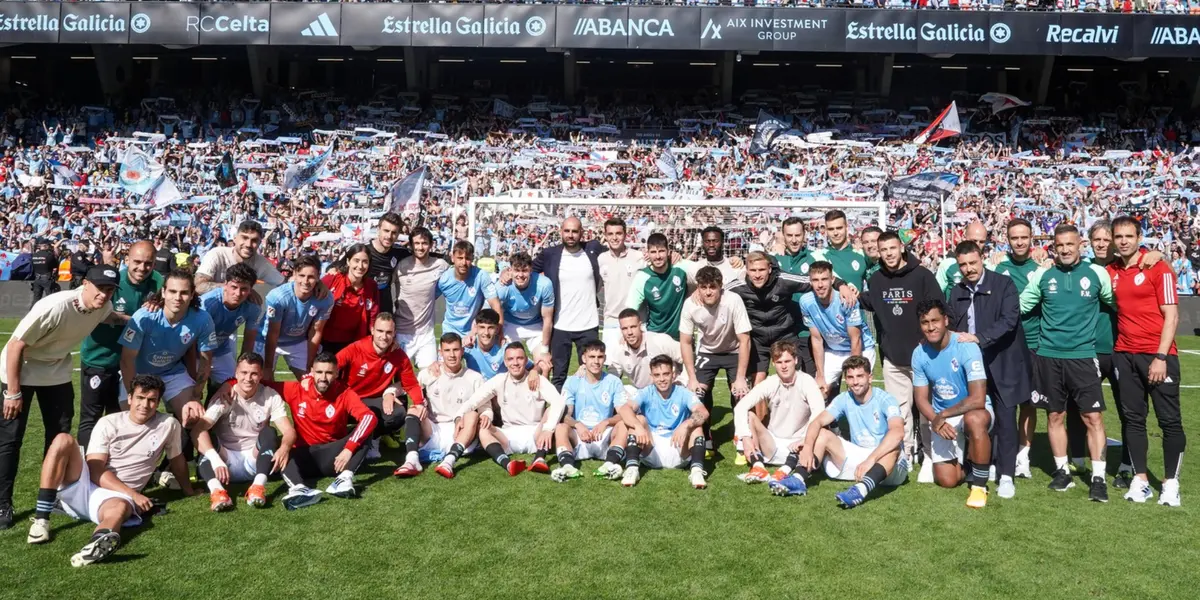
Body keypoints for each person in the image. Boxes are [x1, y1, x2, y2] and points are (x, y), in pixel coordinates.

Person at [25, 375, 196, 566]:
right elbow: (95, 468)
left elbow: (177, 459)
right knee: (63, 439)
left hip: (114, 498)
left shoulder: (168, 425)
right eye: (140, 398)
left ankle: (94, 546)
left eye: (151, 400)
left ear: (158, 402)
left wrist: (188, 490)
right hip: (86, 484)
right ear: (130, 398)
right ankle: (41, 520)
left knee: (120, 508)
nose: (145, 405)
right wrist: (134, 495)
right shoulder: (109, 422)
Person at [0, 266, 118, 530]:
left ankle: (53, 498)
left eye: (109, 290)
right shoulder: (55, 306)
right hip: (21, 369)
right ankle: (2, 504)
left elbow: (114, 317)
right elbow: (16, 345)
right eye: (100, 288)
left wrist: (147, 315)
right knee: (10, 440)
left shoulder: (102, 305)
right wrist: (13, 392)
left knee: (59, 439)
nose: (104, 294)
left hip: (56, 372)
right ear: (85, 284)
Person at [1019, 224, 1115, 502]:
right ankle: (1063, 472)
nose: (1065, 250)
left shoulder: (1097, 274)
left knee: (1093, 417)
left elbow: (1116, 303)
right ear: (1054, 247)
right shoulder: (1043, 275)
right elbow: (1022, 305)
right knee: (1055, 416)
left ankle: (1098, 477)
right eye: (1060, 245)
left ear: (1080, 245)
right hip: (1049, 356)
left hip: (1083, 357)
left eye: (1070, 244)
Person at [1108, 215, 1186, 506]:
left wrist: (1161, 356)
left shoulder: (1158, 267)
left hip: (1157, 356)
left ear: (1139, 237)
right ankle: (1140, 481)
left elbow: (1172, 316)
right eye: (1119, 237)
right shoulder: (1112, 271)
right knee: (1133, 419)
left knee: (1169, 421)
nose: (1124, 241)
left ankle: (1170, 483)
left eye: (1129, 236)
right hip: (1125, 355)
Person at [947, 240, 1030, 500]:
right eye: (963, 265)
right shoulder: (957, 290)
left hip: (1003, 363)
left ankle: (1006, 475)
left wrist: (979, 337)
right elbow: (950, 322)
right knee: (975, 418)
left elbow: (1009, 320)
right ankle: (978, 466)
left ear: (982, 258)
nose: (969, 269)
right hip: (972, 368)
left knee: (1006, 420)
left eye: (973, 262)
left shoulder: (1003, 284)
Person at [770, 356, 908, 508]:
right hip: (860, 458)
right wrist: (808, 447)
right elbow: (817, 422)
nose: (855, 382)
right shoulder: (844, 398)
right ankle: (798, 479)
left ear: (870, 378)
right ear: (846, 380)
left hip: (890, 466)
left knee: (893, 448)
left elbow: (898, 433)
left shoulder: (885, 399)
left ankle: (860, 490)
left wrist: (871, 459)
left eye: (860, 376)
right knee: (822, 434)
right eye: (850, 377)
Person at [858, 230, 941, 470]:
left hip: (923, 356)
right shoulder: (876, 280)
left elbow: (937, 310)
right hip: (893, 359)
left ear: (902, 248)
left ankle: (930, 455)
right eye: (883, 250)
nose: (888, 254)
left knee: (927, 410)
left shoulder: (923, 276)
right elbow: (867, 300)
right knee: (898, 412)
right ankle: (903, 455)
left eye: (892, 249)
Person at [266, 351, 377, 508]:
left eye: (329, 373)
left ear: (337, 373)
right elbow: (258, 383)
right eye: (319, 372)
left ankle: (344, 480)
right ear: (311, 372)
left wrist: (348, 449)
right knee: (281, 443)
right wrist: (229, 384)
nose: (323, 378)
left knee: (365, 430)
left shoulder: (344, 393)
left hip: (334, 459)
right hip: (302, 457)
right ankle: (298, 488)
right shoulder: (295, 389)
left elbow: (369, 417)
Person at [911, 298, 994, 509]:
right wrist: (936, 420)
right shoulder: (919, 353)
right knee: (947, 481)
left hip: (975, 410)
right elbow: (920, 398)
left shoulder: (965, 346)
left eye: (935, 321)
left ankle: (979, 486)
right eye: (925, 322)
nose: (930, 327)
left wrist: (942, 415)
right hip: (943, 416)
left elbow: (977, 398)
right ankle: (973, 462)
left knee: (974, 419)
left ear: (945, 320)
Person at [79, 241, 162, 448]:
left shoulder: (158, 282)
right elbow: (98, 312)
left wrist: (159, 303)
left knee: (124, 417)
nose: (142, 268)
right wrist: (136, 319)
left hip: (134, 362)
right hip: (101, 357)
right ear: (126, 260)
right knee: (92, 417)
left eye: (148, 263)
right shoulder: (113, 280)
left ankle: (118, 465)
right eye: (137, 262)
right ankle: (85, 469)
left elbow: (177, 296)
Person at [119, 269, 218, 441]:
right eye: (172, 291)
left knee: (194, 416)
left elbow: (205, 359)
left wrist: (196, 394)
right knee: (134, 422)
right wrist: (132, 393)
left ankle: (210, 462)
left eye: (184, 292)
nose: (177, 297)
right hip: (139, 374)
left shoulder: (202, 319)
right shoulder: (144, 316)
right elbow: (127, 360)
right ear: (163, 292)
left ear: (192, 294)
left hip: (172, 372)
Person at [194, 353, 297, 512]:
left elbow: (288, 431)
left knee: (269, 432)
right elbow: (198, 430)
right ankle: (217, 492)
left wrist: (284, 448)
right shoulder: (225, 395)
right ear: (236, 373)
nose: (248, 378)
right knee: (208, 439)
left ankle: (257, 487)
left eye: (254, 373)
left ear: (261, 375)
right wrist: (216, 460)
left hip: (256, 461)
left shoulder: (270, 395)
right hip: (223, 463)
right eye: (244, 373)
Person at [334, 313, 426, 475]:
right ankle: (349, 438)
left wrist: (419, 404)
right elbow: (331, 366)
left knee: (398, 413)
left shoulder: (398, 355)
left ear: (394, 333)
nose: (384, 336)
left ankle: (372, 439)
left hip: (374, 403)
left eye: (389, 332)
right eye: (380, 331)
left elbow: (410, 384)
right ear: (372, 330)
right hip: (349, 402)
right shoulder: (356, 348)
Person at [457, 342, 566, 477]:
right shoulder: (499, 380)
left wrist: (548, 429)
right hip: (508, 436)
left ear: (526, 360)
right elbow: (474, 400)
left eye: (519, 358)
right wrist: (459, 416)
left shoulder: (536, 380)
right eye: (510, 359)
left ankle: (540, 458)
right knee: (483, 428)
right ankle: (507, 463)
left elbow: (559, 401)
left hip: (535, 434)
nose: (515, 363)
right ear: (505, 362)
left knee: (550, 412)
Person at [994, 219, 1047, 481]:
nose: (1019, 242)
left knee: (1028, 403)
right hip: (1004, 346)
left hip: (1032, 344)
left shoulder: (1041, 269)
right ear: (1007, 239)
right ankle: (1002, 452)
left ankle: (1023, 456)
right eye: (1014, 238)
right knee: (1004, 403)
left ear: (1031, 239)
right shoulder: (997, 267)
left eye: (1024, 237)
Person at [732, 341, 826, 484]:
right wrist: (744, 437)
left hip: (799, 445)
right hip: (772, 444)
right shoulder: (771, 382)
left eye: (787, 361)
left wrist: (806, 439)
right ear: (773, 363)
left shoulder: (807, 381)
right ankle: (758, 467)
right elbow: (741, 407)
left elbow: (819, 412)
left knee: (822, 431)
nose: (783, 366)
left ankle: (788, 470)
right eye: (779, 362)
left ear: (795, 360)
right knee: (749, 416)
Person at [680, 266, 751, 448]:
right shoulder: (690, 305)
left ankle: (741, 436)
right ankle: (705, 436)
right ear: (698, 288)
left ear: (721, 286)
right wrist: (692, 378)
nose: (708, 292)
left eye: (712, 287)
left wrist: (741, 378)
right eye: (703, 287)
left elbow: (745, 340)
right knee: (698, 393)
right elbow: (686, 342)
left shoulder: (733, 300)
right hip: (707, 352)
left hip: (733, 350)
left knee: (740, 393)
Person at [615, 355, 710, 489]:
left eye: (666, 374)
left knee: (696, 426)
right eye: (657, 375)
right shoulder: (646, 392)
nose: (662, 379)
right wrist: (638, 426)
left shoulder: (683, 393)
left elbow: (703, 411)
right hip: (651, 448)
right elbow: (625, 409)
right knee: (639, 419)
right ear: (652, 376)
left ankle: (697, 472)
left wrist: (686, 424)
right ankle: (632, 469)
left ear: (673, 374)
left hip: (678, 446)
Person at [532, 216, 605, 390]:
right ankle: (559, 414)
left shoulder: (593, 249)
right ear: (561, 232)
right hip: (560, 325)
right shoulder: (550, 254)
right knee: (559, 376)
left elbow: (618, 253)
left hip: (588, 324)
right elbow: (527, 269)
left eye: (574, 231)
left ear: (581, 233)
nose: (570, 235)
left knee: (592, 374)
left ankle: (588, 412)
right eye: (567, 231)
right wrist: (506, 273)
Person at [552, 340, 631, 482]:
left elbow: (623, 413)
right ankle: (568, 467)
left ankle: (610, 463)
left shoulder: (613, 381)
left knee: (623, 425)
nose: (596, 361)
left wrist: (606, 422)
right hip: (580, 436)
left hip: (603, 435)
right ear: (584, 358)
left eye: (600, 357)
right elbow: (565, 414)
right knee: (560, 427)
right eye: (592, 357)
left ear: (605, 359)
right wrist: (578, 425)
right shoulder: (572, 381)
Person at [801, 261, 876, 400]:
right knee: (818, 391)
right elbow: (816, 339)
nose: (820, 285)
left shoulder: (846, 300)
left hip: (862, 348)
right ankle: (823, 422)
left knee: (859, 390)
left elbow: (856, 339)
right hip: (834, 349)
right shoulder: (806, 302)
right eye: (815, 280)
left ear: (832, 280)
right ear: (810, 282)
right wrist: (821, 375)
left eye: (824, 279)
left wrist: (855, 371)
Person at [417, 334, 486, 479]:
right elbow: (408, 388)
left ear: (462, 351)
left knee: (473, 414)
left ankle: (449, 461)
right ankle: (410, 459)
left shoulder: (475, 378)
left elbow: (485, 406)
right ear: (440, 353)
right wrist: (390, 393)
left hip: (461, 433)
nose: (452, 355)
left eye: (455, 350)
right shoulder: (428, 374)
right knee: (415, 409)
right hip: (434, 430)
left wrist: (487, 415)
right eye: (447, 350)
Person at [258, 255, 333, 381]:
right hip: (266, 340)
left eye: (311, 277)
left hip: (297, 341)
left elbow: (316, 331)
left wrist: (310, 365)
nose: (305, 281)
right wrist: (267, 367)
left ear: (318, 276)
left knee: (310, 381)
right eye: (302, 275)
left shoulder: (325, 299)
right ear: (295, 274)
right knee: (263, 382)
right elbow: (273, 333)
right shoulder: (278, 297)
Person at [392, 226, 449, 369]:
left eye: (424, 243)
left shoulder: (440, 265)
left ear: (430, 245)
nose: (420, 247)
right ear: (411, 245)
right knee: (399, 379)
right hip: (402, 332)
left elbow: (461, 271)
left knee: (430, 377)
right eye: (417, 243)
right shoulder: (401, 266)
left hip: (426, 333)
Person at [199, 262, 262, 389]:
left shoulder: (253, 307)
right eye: (234, 287)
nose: (238, 293)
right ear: (225, 284)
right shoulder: (207, 304)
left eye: (244, 289)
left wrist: (243, 366)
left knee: (237, 388)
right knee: (193, 392)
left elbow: (249, 340)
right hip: (197, 353)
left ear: (251, 289)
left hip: (220, 351)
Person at [771, 217, 820, 376]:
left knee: (811, 377)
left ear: (804, 235)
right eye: (789, 235)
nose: (793, 240)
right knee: (787, 378)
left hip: (808, 330)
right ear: (783, 235)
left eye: (797, 235)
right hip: (782, 331)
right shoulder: (773, 259)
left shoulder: (815, 258)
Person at [627, 232, 697, 340]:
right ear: (648, 253)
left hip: (681, 337)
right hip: (655, 336)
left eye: (661, 251)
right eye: (653, 252)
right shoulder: (642, 277)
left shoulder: (680, 267)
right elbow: (630, 310)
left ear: (669, 252)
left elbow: (706, 272)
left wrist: (698, 290)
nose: (658, 256)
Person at [607, 309, 686, 395]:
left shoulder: (659, 340)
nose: (629, 332)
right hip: (642, 394)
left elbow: (687, 356)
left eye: (633, 327)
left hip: (670, 390)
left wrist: (683, 381)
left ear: (640, 325)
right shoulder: (619, 350)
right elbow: (612, 378)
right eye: (625, 328)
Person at [195, 220, 286, 294]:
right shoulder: (217, 254)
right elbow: (199, 287)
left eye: (254, 240)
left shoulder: (261, 262)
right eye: (244, 238)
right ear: (235, 238)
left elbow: (284, 285)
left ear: (259, 243)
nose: (248, 244)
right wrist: (242, 288)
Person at [320, 244, 380, 356]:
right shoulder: (332, 279)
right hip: (324, 341)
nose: (360, 266)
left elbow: (373, 316)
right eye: (356, 260)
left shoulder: (371, 286)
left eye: (365, 262)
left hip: (353, 343)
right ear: (348, 261)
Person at [437, 240, 502, 341]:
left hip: (474, 330)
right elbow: (428, 299)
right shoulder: (444, 279)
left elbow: (495, 304)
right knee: (450, 356)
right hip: (450, 329)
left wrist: (500, 332)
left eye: (467, 258)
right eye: (460, 258)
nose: (463, 262)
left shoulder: (481, 276)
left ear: (472, 258)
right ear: (453, 258)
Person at [497, 252, 554, 361]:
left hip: (535, 325)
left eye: (524, 270)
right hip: (510, 324)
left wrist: (545, 350)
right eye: (517, 270)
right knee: (509, 361)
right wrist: (499, 335)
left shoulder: (544, 284)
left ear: (531, 270)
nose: (520, 275)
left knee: (544, 363)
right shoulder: (503, 286)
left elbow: (547, 319)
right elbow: (494, 311)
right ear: (510, 270)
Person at [596, 218, 645, 344]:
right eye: (610, 234)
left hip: (636, 320)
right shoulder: (601, 259)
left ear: (625, 235)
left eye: (618, 233)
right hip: (612, 321)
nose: (615, 238)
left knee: (639, 362)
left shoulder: (640, 257)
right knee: (612, 363)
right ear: (605, 236)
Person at [365, 213, 412, 315]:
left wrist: (448, 257)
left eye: (394, 232)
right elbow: (336, 268)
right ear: (378, 230)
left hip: (385, 310)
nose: (389, 236)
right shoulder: (363, 251)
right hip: (364, 309)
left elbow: (423, 255)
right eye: (386, 231)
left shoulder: (400, 253)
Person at [813, 210, 868, 291]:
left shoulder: (862, 254)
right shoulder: (817, 256)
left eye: (839, 228)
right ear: (826, 231)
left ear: (846, 227)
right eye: (831, 229)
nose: (835, 233)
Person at [936, 221, 989, 296]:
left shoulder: (990, 264)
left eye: (982, 242)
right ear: (964, 237)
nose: (977, 244)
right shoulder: (947, 265)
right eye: (974, 240)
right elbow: (936, 295)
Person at [30, 238, 57, 304]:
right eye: (49, 245)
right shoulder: (49, 255)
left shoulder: (34, 255)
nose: (50, 246)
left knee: (36, 299)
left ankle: (32, 313)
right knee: (50, 299)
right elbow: (55, 265)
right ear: (46, 246)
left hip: (37, 279)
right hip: (47, 279)